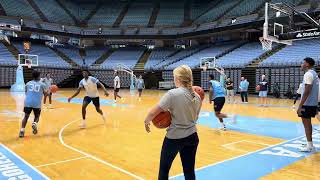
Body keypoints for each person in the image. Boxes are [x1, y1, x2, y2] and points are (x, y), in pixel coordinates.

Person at [144, 65, 202, 180]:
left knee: (164, 170)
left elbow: (152, 113)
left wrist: (146, 121)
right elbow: (195, 118)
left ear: (178, 78)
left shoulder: (172, 94)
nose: (174, 79)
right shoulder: (197, 97)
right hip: (192, 136)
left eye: (174, 76)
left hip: (174, 138)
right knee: (189, 171)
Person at [297, 57, 319, 152]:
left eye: (303, 63)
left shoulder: (308, 74)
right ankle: (309, 143)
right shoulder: (314, 74)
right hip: (312, 103)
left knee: (306, 125)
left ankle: (310, 146)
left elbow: (307, 90)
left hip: (307, 104)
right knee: (308, 124)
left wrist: (300, 105)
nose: (301, 65)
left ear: (307, 64)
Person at [19, 70, 48, 138]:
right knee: (37, 116)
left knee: (26, 117)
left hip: (28, 102)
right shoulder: (42, 84)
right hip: (36, 103)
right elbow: (46, 94)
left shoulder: (28, 83)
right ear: (38, 76)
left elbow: (26, 92)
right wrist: (50, 91)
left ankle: (22, 131)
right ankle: (34, 123)